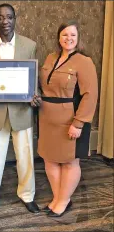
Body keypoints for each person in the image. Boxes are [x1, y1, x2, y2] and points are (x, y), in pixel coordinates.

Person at [0, 3, 41, 217]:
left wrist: (36, 95)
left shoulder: (29, 45)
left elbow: (33, 80)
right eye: (0, 18)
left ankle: (27, 195)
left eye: (9, 17)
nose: (5, 22)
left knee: (25, 156)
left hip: (22, 111)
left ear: (15, 19)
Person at [38, 20, 98, 217]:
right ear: (58, 37)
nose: (68, 38)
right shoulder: (50, 57)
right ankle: (59, 197)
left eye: (72, 35)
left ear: (78, 38)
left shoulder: (84, 61)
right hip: (47, 119)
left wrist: (78, 123)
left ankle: (63, 201)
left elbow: (90, 95)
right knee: (50, 159)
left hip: (71, 121)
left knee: (69, 162)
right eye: (65, 34)